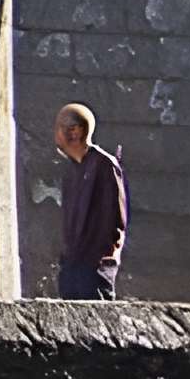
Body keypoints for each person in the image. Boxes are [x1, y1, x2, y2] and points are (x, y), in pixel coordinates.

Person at [53, 103, 126, 301]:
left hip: (94, 272)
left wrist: (99, 262)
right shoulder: (71, 172)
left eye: (59, 127)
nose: (56, 134)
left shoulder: (104, 166)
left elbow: (115, 222)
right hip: (72, 271)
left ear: (75, 132)